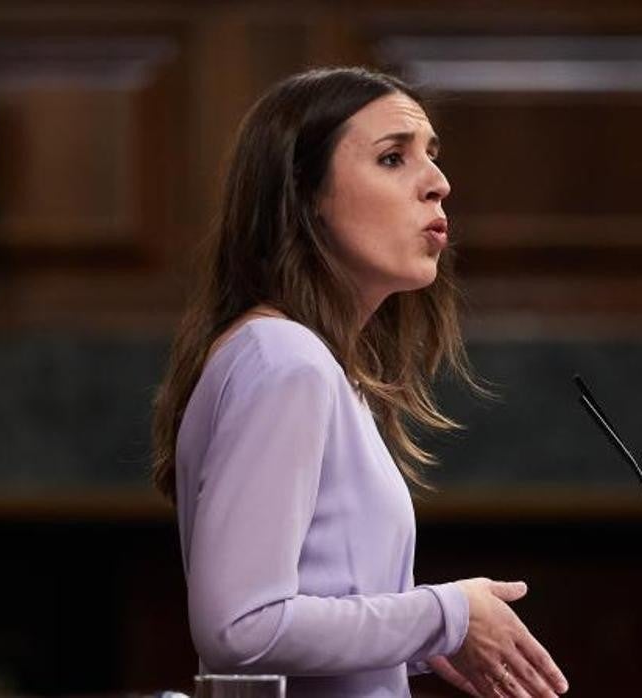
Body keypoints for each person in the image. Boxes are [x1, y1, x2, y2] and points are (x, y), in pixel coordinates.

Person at [149, 66, 569, 698]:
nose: (439, 184)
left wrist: (425, 638)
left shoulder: (308, 360)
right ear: (304, 191)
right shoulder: (284, 358)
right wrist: (447, 615)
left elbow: (315, 600)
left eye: (432, 156)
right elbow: (239, 628)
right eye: (394, 158)